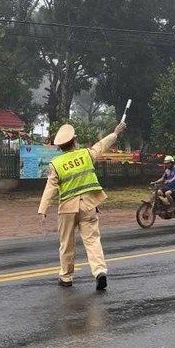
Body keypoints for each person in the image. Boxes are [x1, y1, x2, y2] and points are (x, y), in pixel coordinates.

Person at [38, 120, 126, 289]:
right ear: (74, 141)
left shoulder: (56, 164)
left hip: (66, 209)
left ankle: (66, 277)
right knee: (92, 240)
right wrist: (115, 133)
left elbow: (50, 188)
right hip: (88, 205)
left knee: (66, 243)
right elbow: (101, 145)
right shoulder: (86, 154)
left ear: (60, 146)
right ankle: (99, 271)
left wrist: (43, 209)